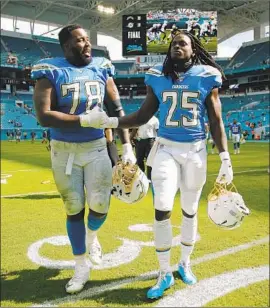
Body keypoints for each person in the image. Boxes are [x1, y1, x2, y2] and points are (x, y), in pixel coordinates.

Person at [84, 30, 234, 299]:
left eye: (183, 43)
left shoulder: (206, 75)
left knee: (189, 210)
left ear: (193, 49)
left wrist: (225, 157)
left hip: (196, 150)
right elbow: (142, 115)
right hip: (165, 148)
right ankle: (164, 272)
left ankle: (184, 262)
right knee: (162, 206)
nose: (178, 47)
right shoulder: (157, 76)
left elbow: (215, 121)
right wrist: (111, 121)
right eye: (174, 44)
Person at [31, 24, 136, 294]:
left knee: (100, 204)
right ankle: (80, 266)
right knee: (73, 206)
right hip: (64, 150)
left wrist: (127, 145)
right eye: (80, 40)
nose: (87, 44)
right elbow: (43, 115)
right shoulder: (50, 71)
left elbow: (117, 108)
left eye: (88, 39)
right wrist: (83, 119)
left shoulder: (102, 67)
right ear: (66, 46)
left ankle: (93, 237)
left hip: (97, 147)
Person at [130, 115, 159, 180]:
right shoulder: (140, 118)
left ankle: (149, 178)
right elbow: (135, 129)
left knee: (150, 160)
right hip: (140, 141)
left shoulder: (155, 119)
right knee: (139, 160)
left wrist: (158, 141)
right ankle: (140, 178)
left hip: (150, 141)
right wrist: (130, 139)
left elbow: (158, 131)